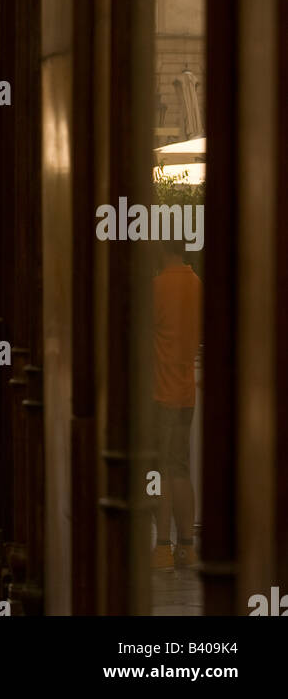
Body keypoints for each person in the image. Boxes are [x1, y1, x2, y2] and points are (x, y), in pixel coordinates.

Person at [151, 238, 202, 571]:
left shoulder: (156, 287)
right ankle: (187, 547)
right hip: (186, 393)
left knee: (161, 471)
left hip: (159, 392)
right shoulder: (197, 284)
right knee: (182, 468)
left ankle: (163, 548)